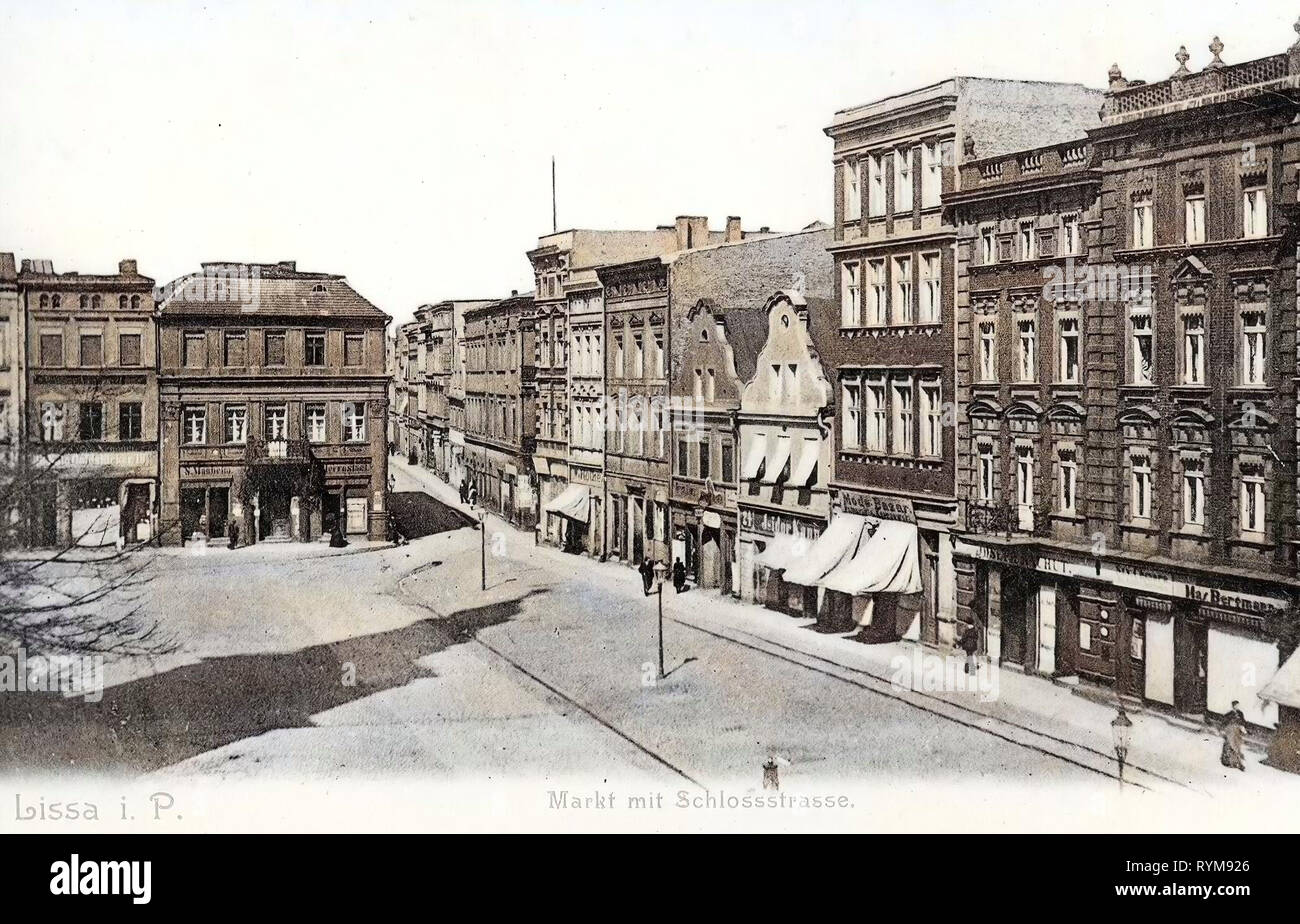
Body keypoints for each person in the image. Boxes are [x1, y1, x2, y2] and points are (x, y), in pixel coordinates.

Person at [1221, 701, 1247, 771]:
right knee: (1230, 746)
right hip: (1230, 732)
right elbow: (1224, 721)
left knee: (1237, 747)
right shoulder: (1229, 714)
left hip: (1237, 732)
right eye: (1236, 705)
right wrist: (1224, 729)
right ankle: (1228, 762)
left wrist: (1243, 727)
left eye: (1238, 705)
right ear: (1233, 706)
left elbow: (1243, 722)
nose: (1237, 706)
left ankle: (1238, 763)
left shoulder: (1240, 713)